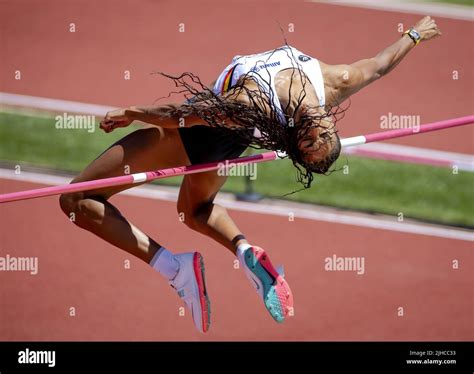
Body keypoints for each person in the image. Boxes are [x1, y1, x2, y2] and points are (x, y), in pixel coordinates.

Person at [59, 16, 441, 333]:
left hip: (198, 135)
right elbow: (378, 65)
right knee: (196, 211)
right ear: (330, 121)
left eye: (311, 137)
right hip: (227, 144)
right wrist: (414, 35)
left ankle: (175, 268)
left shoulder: (247, 104)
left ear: (296, 136)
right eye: (323, 131)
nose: (318, 126)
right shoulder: (335, 84)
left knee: (77, 199)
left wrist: (132, 112)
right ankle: (244, 251)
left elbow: (181, 118)